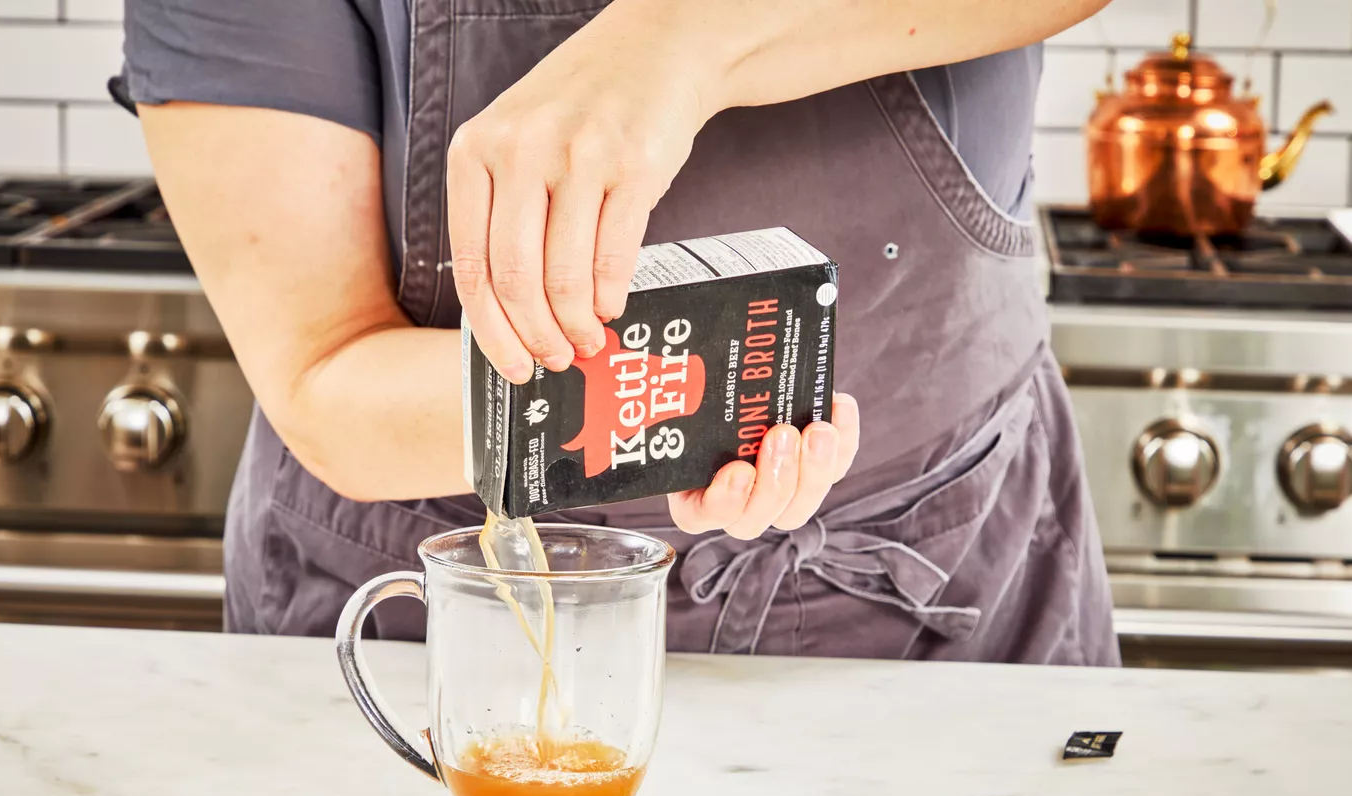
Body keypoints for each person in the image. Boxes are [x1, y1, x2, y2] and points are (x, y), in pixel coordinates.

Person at [111, 0, 1121, 665]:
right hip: (452, 633)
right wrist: (689, 407)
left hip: (942, 592)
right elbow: (328, 375)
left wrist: (678, 44)